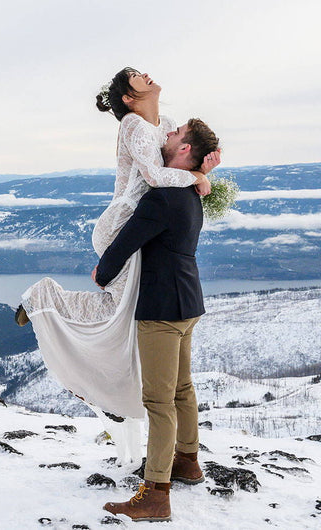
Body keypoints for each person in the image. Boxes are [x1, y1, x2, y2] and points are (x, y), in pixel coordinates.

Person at [15, 67, 220, 463]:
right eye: (136, 77)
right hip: (123, 224)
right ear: (129, 97)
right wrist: (197, 175)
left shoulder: (169, 124)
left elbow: (181, 153)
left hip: (144, 225)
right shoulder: (134, 126)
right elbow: (156, 175)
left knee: (135, 317)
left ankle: (120, 395)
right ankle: (44, 299)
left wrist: (200, 170)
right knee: (119, 310)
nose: (146, 74)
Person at [96, 117, 219, 522]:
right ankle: (187, 460)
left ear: (184, 150)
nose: (167, 134)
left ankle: (156, 493)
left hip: (163, 309)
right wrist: (203, 172)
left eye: (176, 133)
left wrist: (103, 272)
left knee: (158, 401)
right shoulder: (189, 192)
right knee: (182, 388)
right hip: (188, 303)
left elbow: (126, 240)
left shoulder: (164, 196)